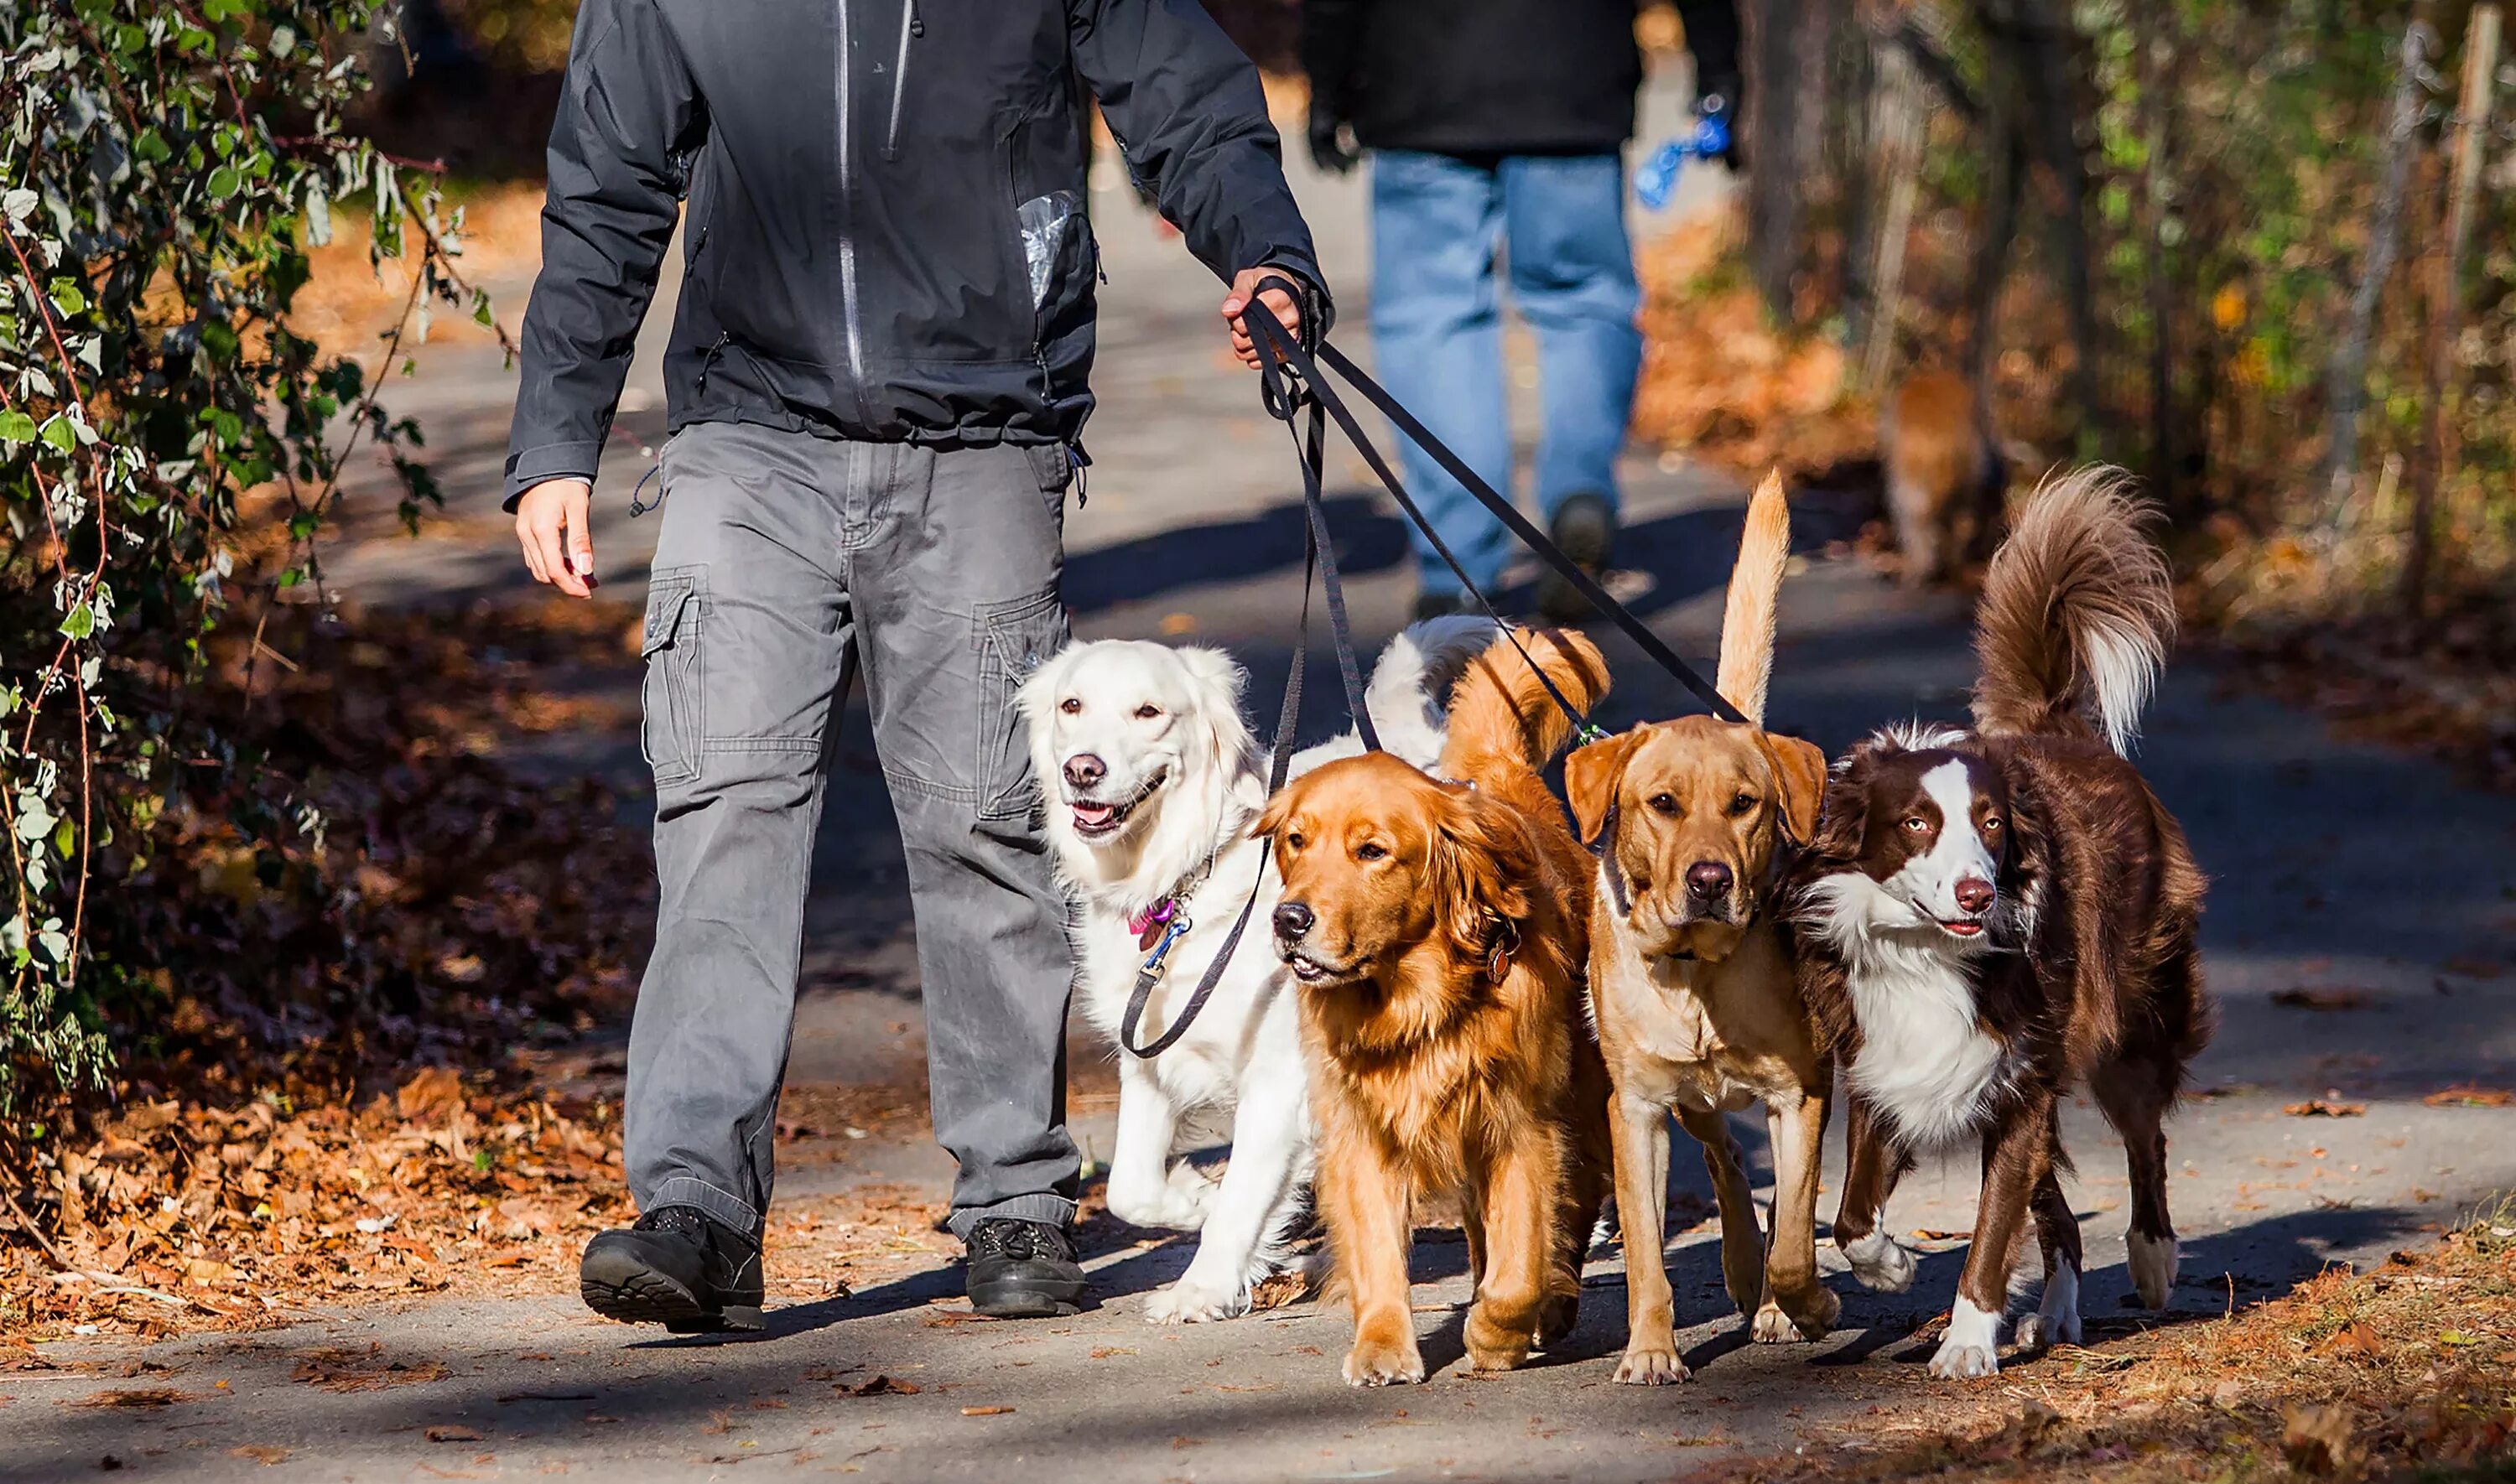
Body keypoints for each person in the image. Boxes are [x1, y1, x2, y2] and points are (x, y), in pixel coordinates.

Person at [506, 0, 1325, 1330]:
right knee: (724, 812)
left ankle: (1014, 1197)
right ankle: (693, 1208)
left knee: (991, 821)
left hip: (986, 429)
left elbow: (1186, 97)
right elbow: (607, 177)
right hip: (745, 435)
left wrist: (1270, 260)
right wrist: (556, 437)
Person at [1302, 0, 1740, 619]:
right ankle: (1580, 489)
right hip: (1573, 76)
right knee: (1584, 301)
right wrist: (1719, 68)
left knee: (1433, 318)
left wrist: (1328, 77)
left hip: (1418, 82)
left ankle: (1456, 559)